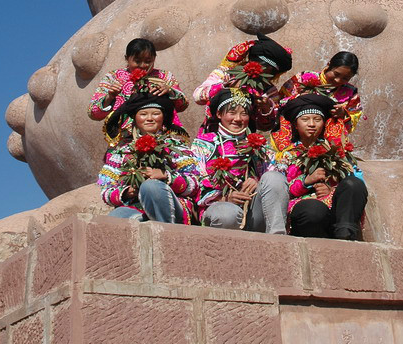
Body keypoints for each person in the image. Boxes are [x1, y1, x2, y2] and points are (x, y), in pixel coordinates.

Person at [191, 87, 288, 233]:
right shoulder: (204, 144)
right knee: (226, 215)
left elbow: (276, 178)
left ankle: (277, 236)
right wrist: (225, 198)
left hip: (254, 211)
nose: (238, 119)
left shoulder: (259, 144)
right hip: (221, 207)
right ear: (218, 114)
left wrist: (257, 181)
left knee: (274, 178)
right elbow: (195, 180)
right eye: (232, 113)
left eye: (244, 114)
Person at [274, 93, 368, 240]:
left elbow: (352, 180)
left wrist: (331, 189)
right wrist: (306, 181)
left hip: (333, 210)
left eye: (317, 119)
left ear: (324, 123)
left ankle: (345, 236)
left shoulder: (335, 151)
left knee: (354, 184)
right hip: (306, 211)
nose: (312, 124)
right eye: (305, 119)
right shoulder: (285, 155)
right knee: (313, 209)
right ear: (295, 125)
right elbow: (279, 190)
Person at [98, 92, 199, 224]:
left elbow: (195, 183)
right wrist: (127, 192)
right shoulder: (121, 152)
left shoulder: (177, 147)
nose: (150, 118)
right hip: (136, 206)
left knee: (151, 187)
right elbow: (106, 190)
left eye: (156, 114)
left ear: (163, 117)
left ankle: (166, 232)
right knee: (115, 218)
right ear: (135, 118)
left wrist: (166, 176)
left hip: (171, 206)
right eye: (143, 114)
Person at [193, 34, 292, 130]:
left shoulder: (269, 90)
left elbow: (265, 127)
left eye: (269, 73)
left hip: (243, 141)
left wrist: (266, 109)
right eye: (263, 69)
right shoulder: (225, 74)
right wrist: (224, 86)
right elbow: (198, 96)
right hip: (212, 134)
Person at [88, 38, 188, 132]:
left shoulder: (164, 77)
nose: (142, 65)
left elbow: (182, 106)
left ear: (154, 58)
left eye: (148, 61)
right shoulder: (113, 78)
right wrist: (109, 97)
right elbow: (93, 113)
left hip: (162, 137)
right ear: (127, 58)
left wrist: (170, 91)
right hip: (124, 138)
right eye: (137, 61)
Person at [277, 51, 365, 140]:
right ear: (329, 64)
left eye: (345, 78)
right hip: (293, 136)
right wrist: (298, 98)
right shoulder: (303, 79)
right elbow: (279, 102)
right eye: (336, 74)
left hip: (327, 142)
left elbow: (353, 119)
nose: (338, 80)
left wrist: (343, 114)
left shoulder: (351, 93)